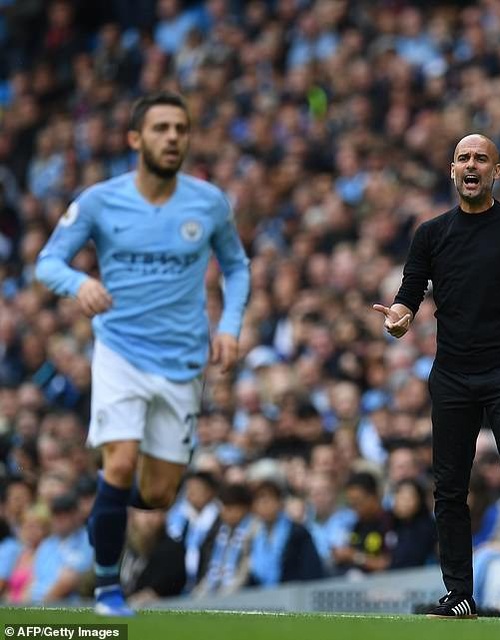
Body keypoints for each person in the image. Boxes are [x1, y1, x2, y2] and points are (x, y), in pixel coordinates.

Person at [34, 91, 251, 616]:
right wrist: (78, 284)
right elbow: (47, 262)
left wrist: (229, 326)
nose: (173, 137)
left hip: (181, 363)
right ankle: (108, 587)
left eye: (181, 128)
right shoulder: (99, 201)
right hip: (120, 351)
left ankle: (104, 512)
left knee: (155, 494)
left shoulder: (208, 202)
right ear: (136, 139)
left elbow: (237, 266)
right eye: (161, 128)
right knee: (121, 460)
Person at [373, 133, 500, 621]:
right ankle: (458, 595)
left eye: (480, 158)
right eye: (463, 158)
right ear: (452, 170)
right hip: (452, 374)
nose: (471, 165)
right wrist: (399, 317)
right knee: (449, 488)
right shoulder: (431, 234)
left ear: (496, 172)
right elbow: (409, 292)